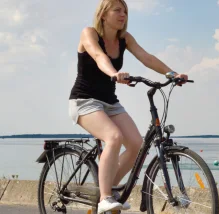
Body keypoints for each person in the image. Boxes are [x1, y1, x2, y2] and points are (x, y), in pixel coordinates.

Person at [68, 0, 188, 213]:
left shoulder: (125, 38)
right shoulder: (89, 33)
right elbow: (98, 56)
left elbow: (146, 57)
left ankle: (107, 187)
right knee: (113, 137)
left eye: (125, 10)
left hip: (109, 102)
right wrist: (113, 73)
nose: (123, 14)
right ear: (104, 14)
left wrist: (172, 74)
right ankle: (105, 198)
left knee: (135, 144)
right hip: (84, 101)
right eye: (117, 10)